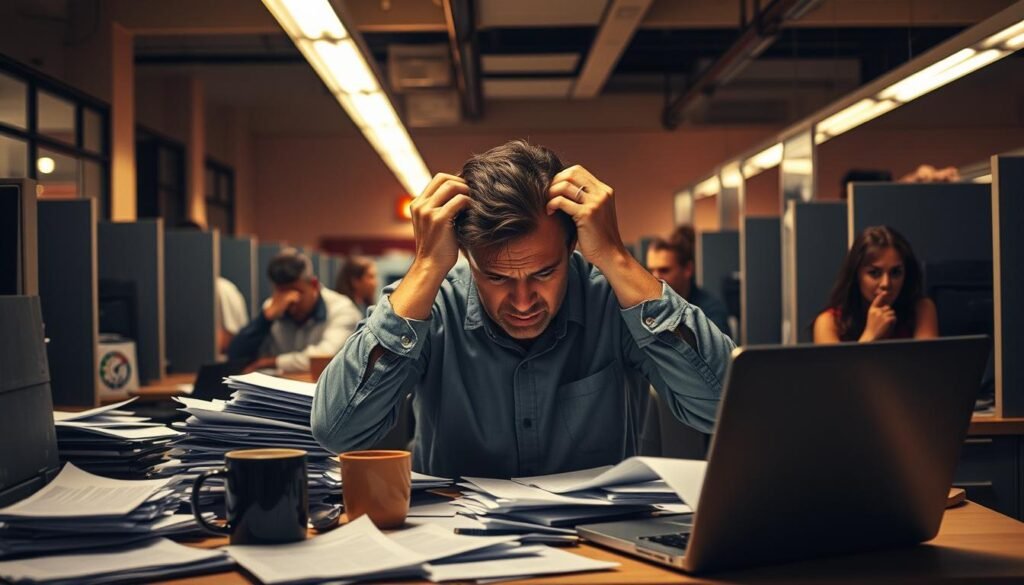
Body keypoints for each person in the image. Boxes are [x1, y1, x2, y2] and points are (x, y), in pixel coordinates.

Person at [311, 139, 735, 478]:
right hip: (456, 551)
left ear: (572, 248)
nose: (523, 301)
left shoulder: (613, 299)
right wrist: (424, 266)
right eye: (496, 277)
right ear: (469, 257)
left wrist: (616, 256)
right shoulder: (431, 306)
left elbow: (722, 412)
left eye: (544, 273)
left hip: (597, 551)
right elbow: (338, 433)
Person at [227, 250, 362, 373]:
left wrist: (272, 362)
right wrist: (265, 319)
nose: (289, 300)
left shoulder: (342, 309)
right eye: (282, 292)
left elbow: (324, 357)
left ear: (314, 285)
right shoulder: (273, 307)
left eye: (297, 292)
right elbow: (236, 354)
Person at [813, 226, 938, 343]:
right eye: (874, 273)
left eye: (895, 273)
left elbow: (926, 364)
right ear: (856, 275)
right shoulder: (829, 322)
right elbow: (838, 367)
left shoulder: (920, 309)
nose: (886, 284)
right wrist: (870, 334)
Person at [646, 226, 731, 337]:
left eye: (664, 270)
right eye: (651, 270)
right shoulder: (646, 310)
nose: (655, 277)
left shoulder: (711, 311)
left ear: (688, 269)